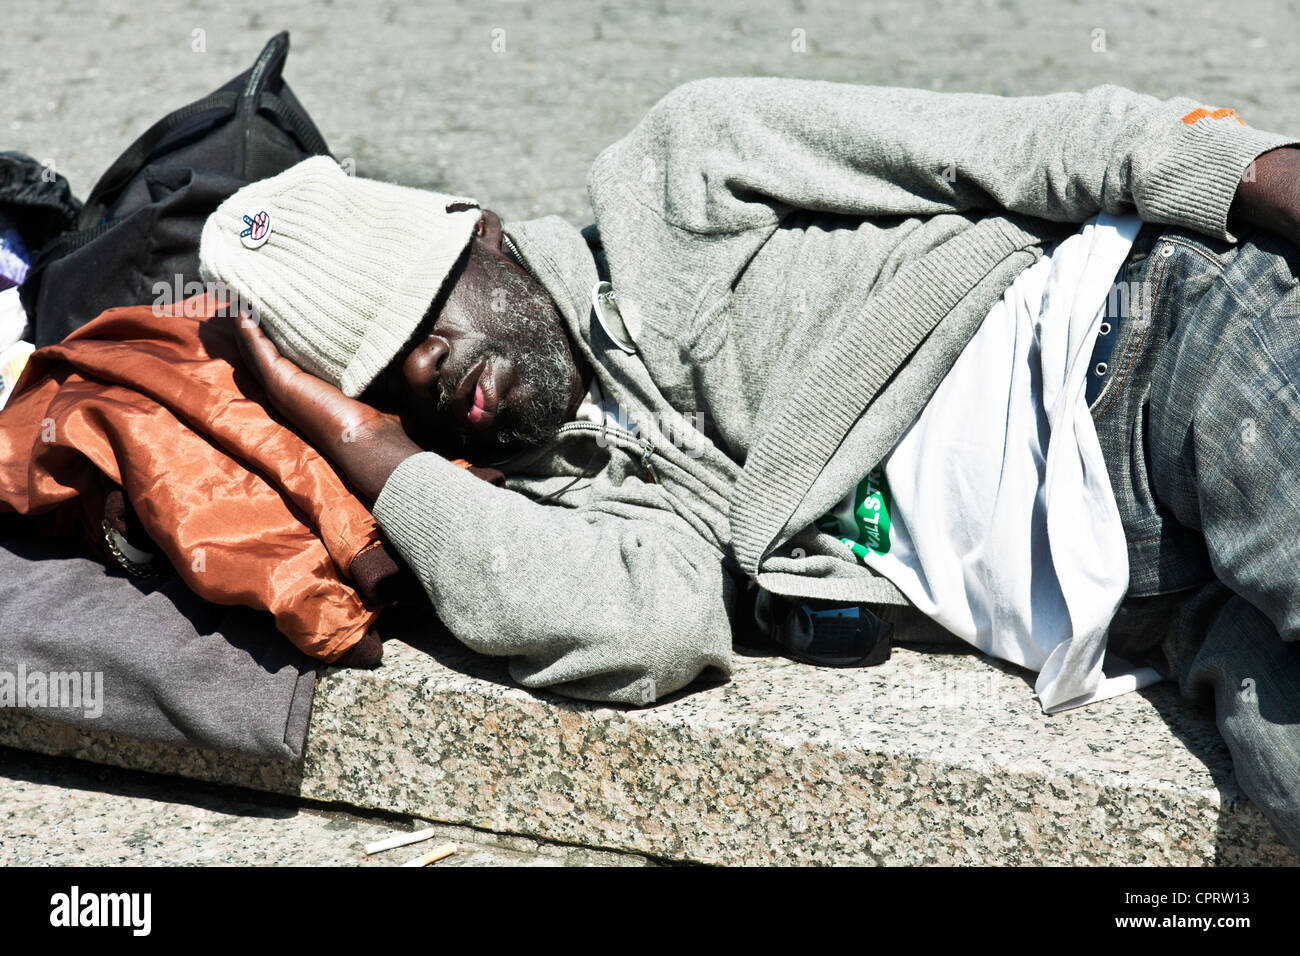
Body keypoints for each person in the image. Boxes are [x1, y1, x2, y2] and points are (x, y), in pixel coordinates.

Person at [199, 78, 1300, 852]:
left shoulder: (687, 169)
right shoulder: (573, 490)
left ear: (480, 230)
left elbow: (1020, 141)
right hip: (1151, 608)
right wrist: (371, 451)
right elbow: (652, 629)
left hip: (1147, 353)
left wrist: (1248, 173)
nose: (434, 369)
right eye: (386, 377)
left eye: (424, 314)